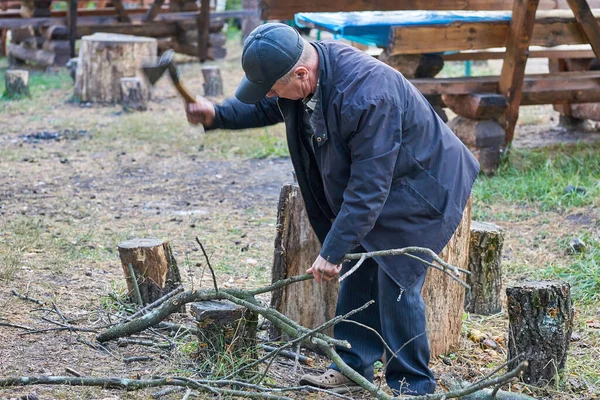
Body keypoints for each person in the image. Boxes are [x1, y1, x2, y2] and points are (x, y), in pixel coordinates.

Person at [186, 23, 480, 395]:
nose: (274, 95)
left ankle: (413, 386)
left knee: (396, 278)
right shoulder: (302, 67)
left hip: (422, 185)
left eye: (276, 87)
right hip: (382, 180)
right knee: (358, 267)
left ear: (301, 74)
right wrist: (218, 113)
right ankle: (350, 364)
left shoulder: (368, 95)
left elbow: (368, 188)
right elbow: (268, 104)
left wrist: (332, 251)